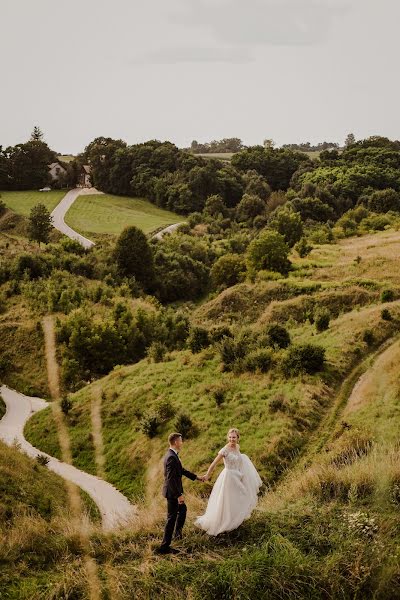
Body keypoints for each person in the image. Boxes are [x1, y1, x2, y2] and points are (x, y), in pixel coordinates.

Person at [195, 428, 262, 536]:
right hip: (228, 477)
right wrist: (207, 475)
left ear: (238, 438)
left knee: (240, 497)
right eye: (230, 437)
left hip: (237, 476)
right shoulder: (224, 450)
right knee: (227, 500)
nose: (232, 439)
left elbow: (239, 461)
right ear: (228, 437)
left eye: (234, 437)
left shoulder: (237, 447)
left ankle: (234, 520)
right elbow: (213, 464)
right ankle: (224, 523)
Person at [156, 432, 203, 555]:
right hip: (172, 493)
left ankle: (177, 535)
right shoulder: (171, 457)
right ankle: (164, 547)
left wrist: (197, 477)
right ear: (176, 442)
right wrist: (179, 495)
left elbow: (181, 471)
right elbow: (171, 479)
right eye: (181, 440)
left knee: (182, 511)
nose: (182, 443)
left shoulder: (172, 455)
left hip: (172, 491)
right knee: (171, 518)